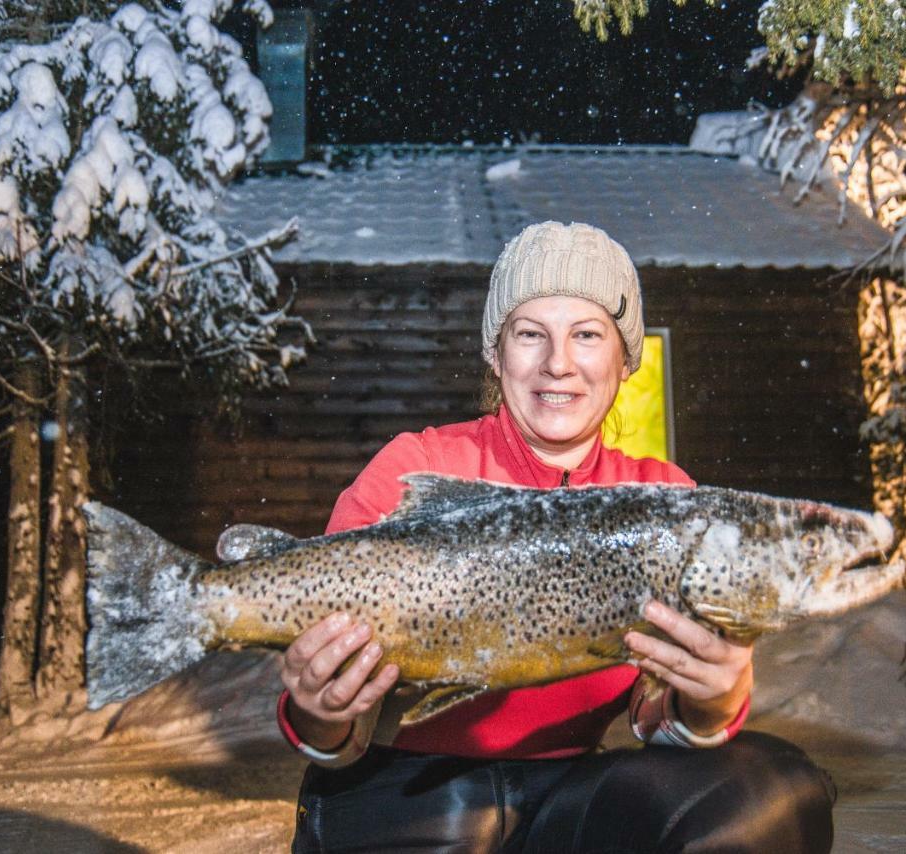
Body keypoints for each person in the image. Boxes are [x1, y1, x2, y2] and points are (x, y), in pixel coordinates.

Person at [276, 221, 836, 853]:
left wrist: (712, 698)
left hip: (570, 804)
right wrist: (320, 713)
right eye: (530, 334)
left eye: (587, 335)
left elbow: (657, 717)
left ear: (625, 357)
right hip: (403, 800)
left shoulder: (668, 504)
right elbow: (328, 726)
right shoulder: (414, 470)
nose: (558, 364)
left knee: (775, 790)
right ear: (496, 352)